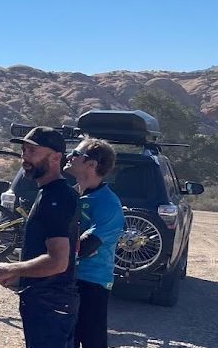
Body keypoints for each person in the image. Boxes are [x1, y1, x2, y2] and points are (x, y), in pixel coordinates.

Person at [0, 126, 79, 348]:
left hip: (51, 305)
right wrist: (20, 276)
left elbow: (58, 261)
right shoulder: (49, 193)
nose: (25, 157)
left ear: (56, 157)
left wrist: (13, 268)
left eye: (33, 151)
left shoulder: (56, 197)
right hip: (46, 302)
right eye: (24, 150)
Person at [63, 138, 123, 348]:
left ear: (91, 164)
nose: (69, 156)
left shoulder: (109, 204)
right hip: (65, 278)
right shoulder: (70, 195)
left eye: (75, 153)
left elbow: (87, 245)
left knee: (92, 342)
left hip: (91, 283)